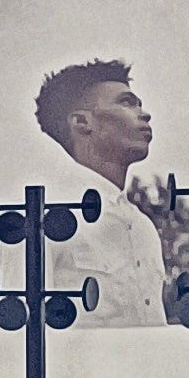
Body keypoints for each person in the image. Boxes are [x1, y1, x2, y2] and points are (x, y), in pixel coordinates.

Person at [29, 57, 172, 326]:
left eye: (139, 104)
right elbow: (21, 336)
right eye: (127, 102)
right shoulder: (44, 216)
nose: (144, 114)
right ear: (82, 122)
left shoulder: (142, 226)